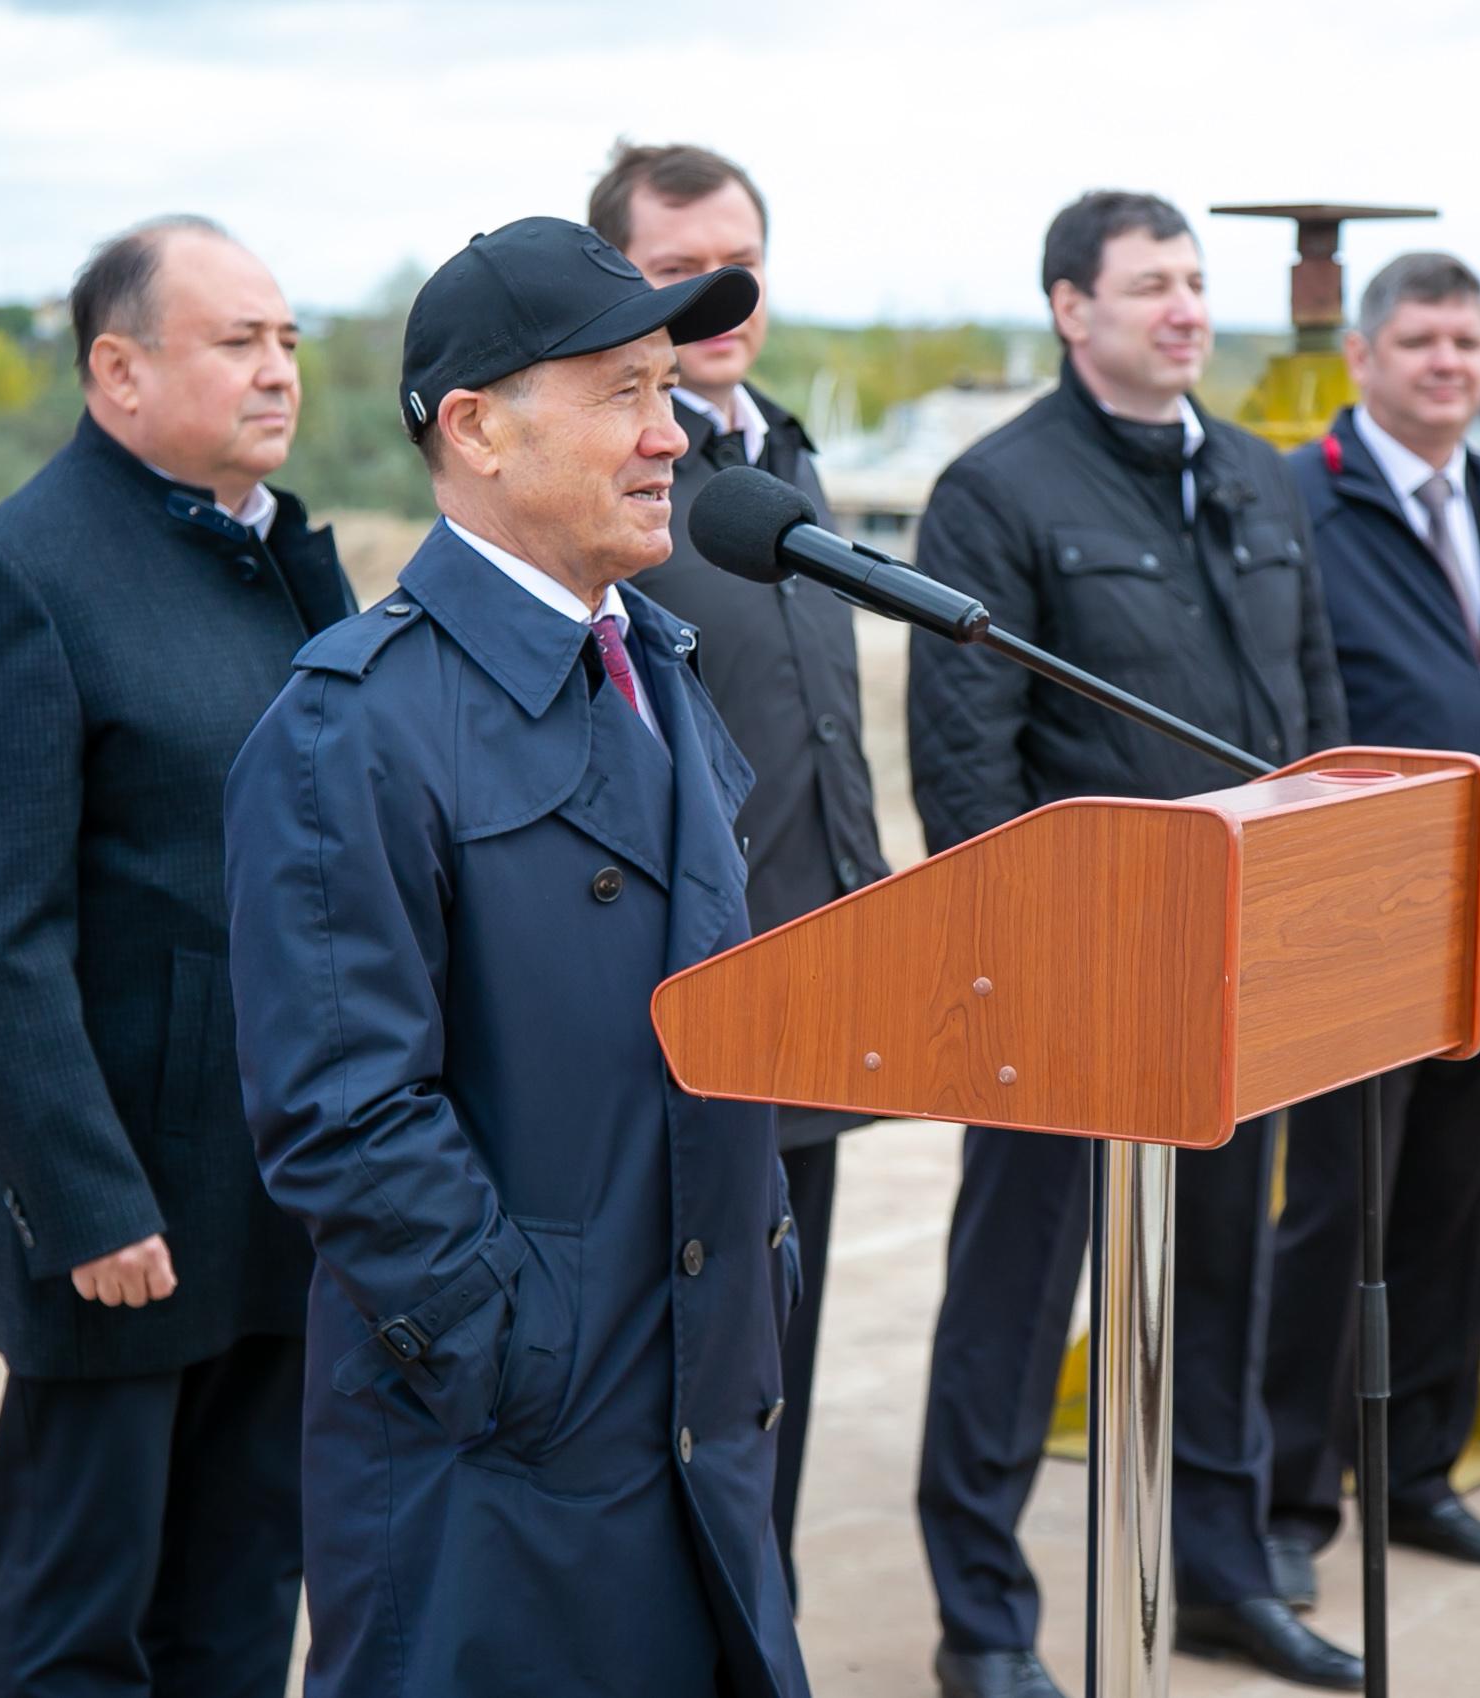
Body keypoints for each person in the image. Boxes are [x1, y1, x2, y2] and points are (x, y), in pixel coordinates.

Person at [221, 218, 807, 1698]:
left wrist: (757, 1260)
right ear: (477, 428)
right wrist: (519, 1351)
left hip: (692, 1421)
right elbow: (344, 1116)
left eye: (667, 389)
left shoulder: (651, 663)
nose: (668, 435)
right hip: (498, 1457)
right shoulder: (350, 721)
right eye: (622, 390)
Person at [908, 190, 1357, 1698]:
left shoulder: (1251, 475)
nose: (1183, 308)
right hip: (1069, 982)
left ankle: (1224, 1572)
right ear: (1067, 307)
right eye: (1149, 284)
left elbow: (1310, 712)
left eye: (1194, 282)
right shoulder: (993, 491)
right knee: (1017, 1301)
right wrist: (1026, 968)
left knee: (1219, 1285)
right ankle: (983, 1617)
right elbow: (966, 777)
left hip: (1240, 964)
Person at [0, 215, 351, 1697]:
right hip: (121, 1214)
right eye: (239, 341)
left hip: (272, 1187)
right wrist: (86, 1202)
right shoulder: (17, 578)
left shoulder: (273, 556)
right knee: (78, 1627)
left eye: (286, 339)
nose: (278, 371)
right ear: (117, 370)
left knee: (236, 1607)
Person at [1263, 252, 1480, 1590]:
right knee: (1334, 1223)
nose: (1447, 363)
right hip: (1360, 931)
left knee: (1460, 1216)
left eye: (1465, 341)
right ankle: (1289, 1508)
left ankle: (1415, 1475)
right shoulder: (1300, 504)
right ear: (1359, 355)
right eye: (1419, 341)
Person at [589, 141, 891, 1589]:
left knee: (784, 1372)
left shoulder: (790, 460)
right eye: (671, 270)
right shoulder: (620, 483)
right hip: (687, 1013)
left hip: (820, 996)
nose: (716, 295)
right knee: (676, 1399)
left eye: (737, 264)